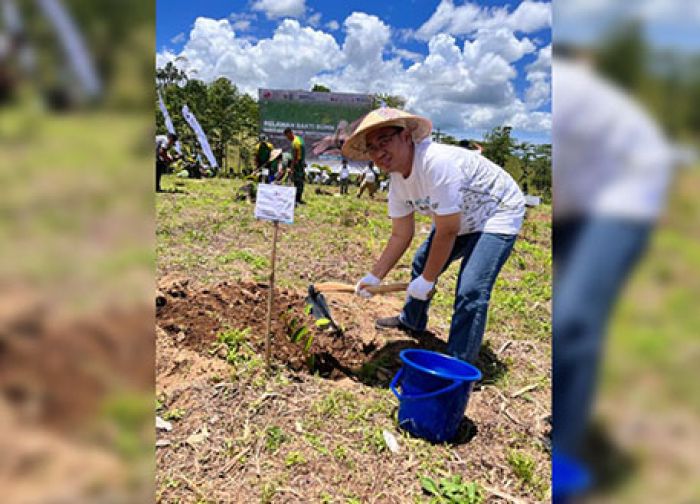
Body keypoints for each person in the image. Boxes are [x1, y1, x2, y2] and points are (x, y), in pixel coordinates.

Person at [342, 107, 525, 365]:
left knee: (471, 289)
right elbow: (400, 234)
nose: (379, 152)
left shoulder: (435, 163)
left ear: (406, 136)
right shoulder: (397, 182)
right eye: (372, 147)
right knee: (421, 262)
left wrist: (428, 280)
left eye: (385, 141)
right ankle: (411, 321)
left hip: (497, 212)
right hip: (460, 218)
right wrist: (375, 276)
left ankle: (458, 363)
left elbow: (448, 230)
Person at [283, 127, 306, 204]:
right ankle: (299, 199)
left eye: (287, 136)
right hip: (302, 163)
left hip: (298, 164)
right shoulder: (299, 139)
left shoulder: (295, 143)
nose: (287, 138)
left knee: (297, 182)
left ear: (290, 133)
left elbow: (295, 157)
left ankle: (297, 200)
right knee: (301, 182)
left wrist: (291, 168)